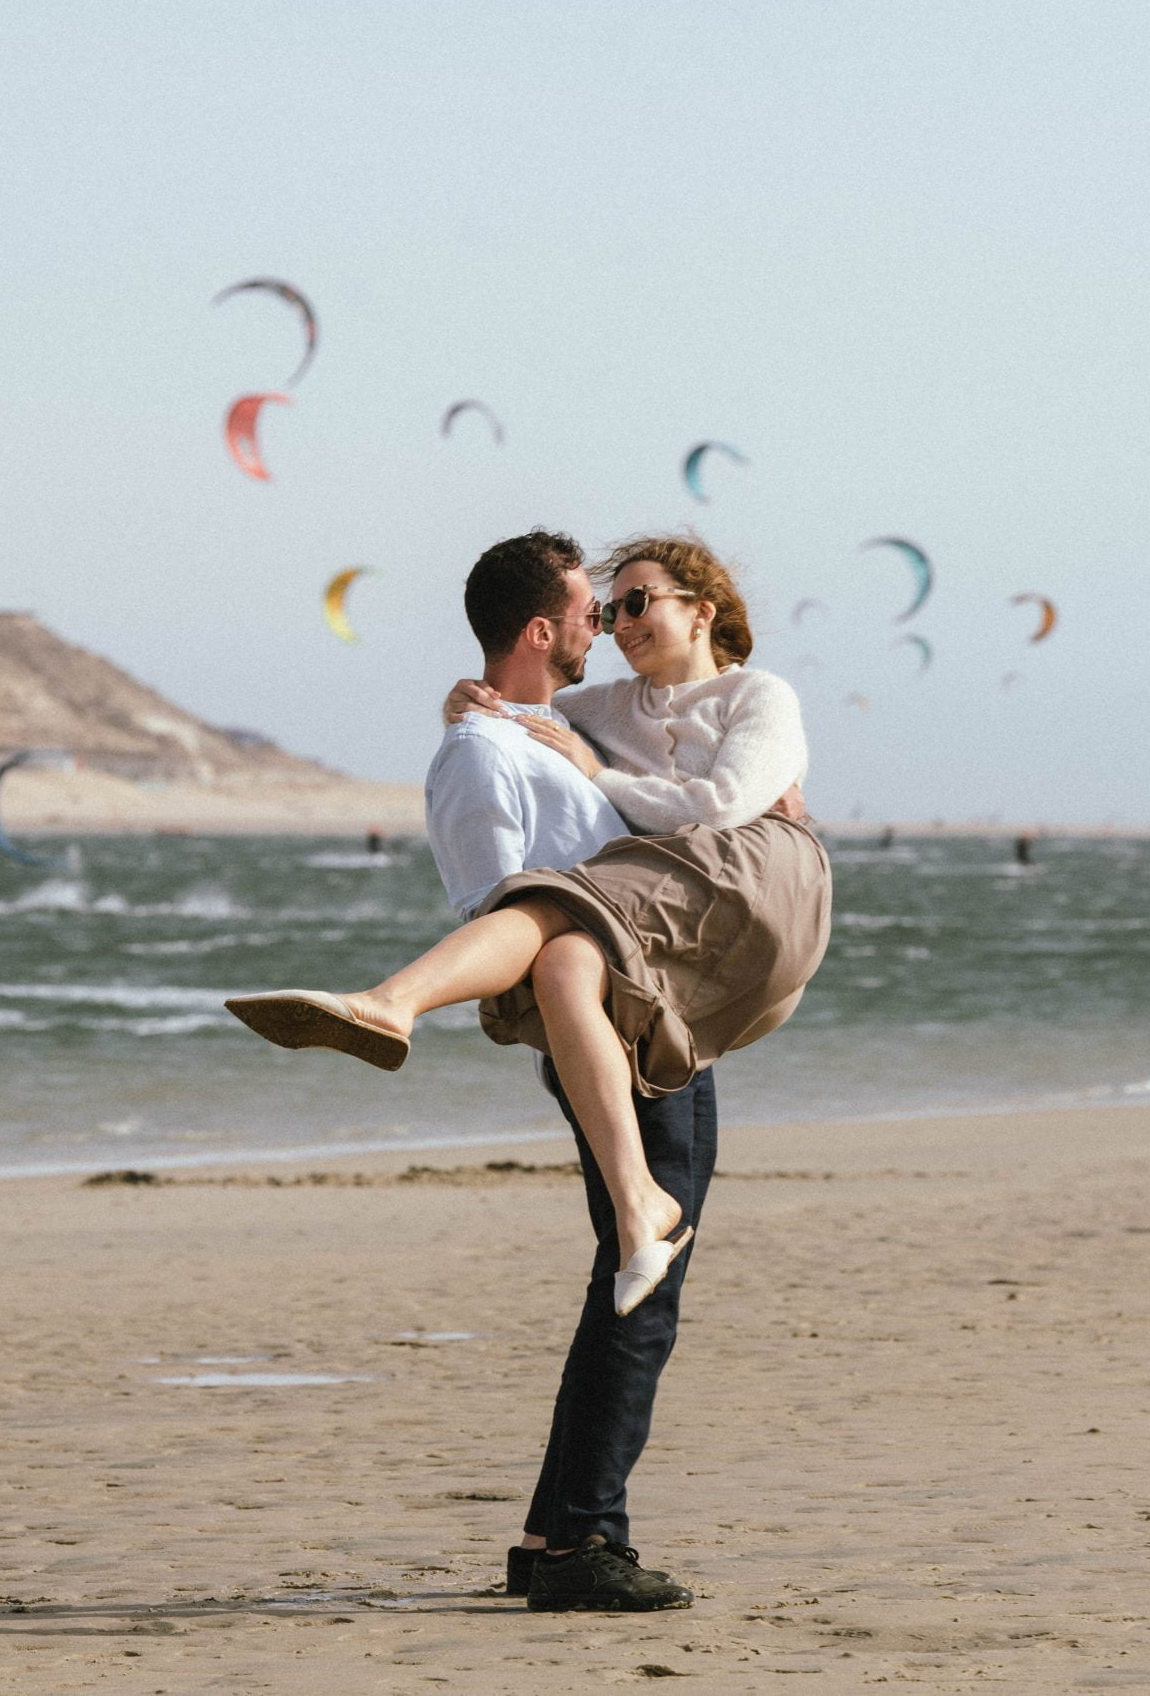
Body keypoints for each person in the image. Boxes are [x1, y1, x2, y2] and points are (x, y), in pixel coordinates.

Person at [234, 530, 824, 1613]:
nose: (613, 619)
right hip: (607, 1026)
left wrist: (550, 741)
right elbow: (492, 898)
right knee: (644, 1279)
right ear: (543, 627)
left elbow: (705, 797)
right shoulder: (495, 746)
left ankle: (558, 1529)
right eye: (601, 605)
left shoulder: (581, 722)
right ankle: (582, 1541)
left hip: (646, 1006)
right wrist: (499, 728)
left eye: (635, 600)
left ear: (702, 608)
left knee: (630, 1269)